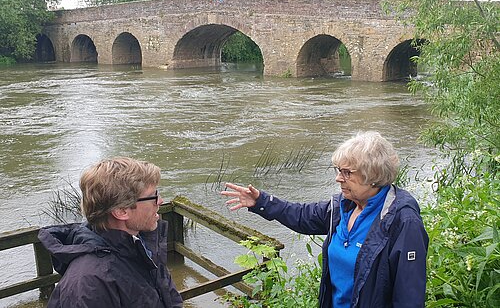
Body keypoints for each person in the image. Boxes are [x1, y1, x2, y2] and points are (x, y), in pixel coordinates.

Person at [221, 131, 428, 308]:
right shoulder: (342, 207)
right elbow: (302, 216)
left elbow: (409, 297)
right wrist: (261, 201)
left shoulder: (403, 220)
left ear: (373, 175)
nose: (339, 178)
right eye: (339, 171)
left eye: (347, 172)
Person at [38, 157, 183, 308]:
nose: (160, 201)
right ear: (121, 211)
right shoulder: (89, 285)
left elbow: (169, 299)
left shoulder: (141, 246)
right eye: (153, 196)